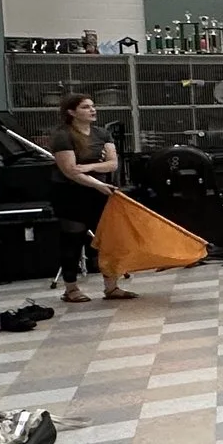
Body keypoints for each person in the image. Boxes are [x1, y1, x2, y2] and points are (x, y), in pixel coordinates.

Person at [48, 93, 132, 302]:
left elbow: (112, 164)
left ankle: (111, 287)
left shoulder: (102, 133)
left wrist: (89, 167)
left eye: (93, 106)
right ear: (71, 112)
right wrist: (97, 184)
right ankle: (71, 289)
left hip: (100, 193)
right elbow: (70, 171)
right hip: (71, 194)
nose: (92, 110)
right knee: (73, 241)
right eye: (85, 107)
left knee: (108, 240)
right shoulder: (63, 135)